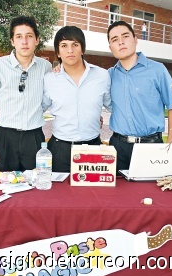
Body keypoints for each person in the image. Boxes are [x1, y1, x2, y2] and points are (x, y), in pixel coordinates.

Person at [0, 16, 52, 171]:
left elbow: (52, 97)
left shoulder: (46, 67)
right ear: (12, 41)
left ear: (37, 40)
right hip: (6, 138)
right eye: (19, 37)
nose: (24, 41)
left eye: (29, 36)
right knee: (7, 184)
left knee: (36, 186)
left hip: (34, 137)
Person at [107, 20, 172, 171]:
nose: (121, 42)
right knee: (116, 194)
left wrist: (171, 143)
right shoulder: (108, 75)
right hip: (117, 147)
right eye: (114, 39)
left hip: (150, 146)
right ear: (110, 47)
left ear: (135, 39)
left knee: (149, 193)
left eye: (125, 36)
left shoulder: (157, 70)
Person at [42, 26, 111, 172]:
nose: (70, 50)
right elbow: (36, 109)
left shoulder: (102, 76)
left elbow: (114, 107)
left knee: (93, 194)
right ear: (58, 52)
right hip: (60, 149)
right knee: (59, 193)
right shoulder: (49, 79)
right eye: (64, 45)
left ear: (82, 49)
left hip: (93, 147)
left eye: (75, 45)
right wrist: (1, 112)